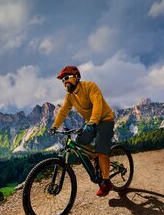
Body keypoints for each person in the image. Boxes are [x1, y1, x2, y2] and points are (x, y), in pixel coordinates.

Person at [50, 66, 116, 197]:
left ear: (77, 77)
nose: (65, 82)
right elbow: (63, 111)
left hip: (105, 119)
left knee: (102, 150)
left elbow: (98, 104)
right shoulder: (70, 96)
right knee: (80, 142)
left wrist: (93, 121)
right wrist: (54, 126)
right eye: (63, 80)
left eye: (67, 78)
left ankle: (106, 181)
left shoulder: (90, 86)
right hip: (90, 122)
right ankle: (96, 158)